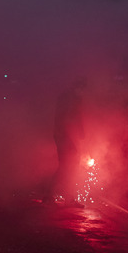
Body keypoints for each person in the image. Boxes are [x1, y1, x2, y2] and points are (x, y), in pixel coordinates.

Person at [50, 77, 86, 205]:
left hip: (64, 136)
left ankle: (51, 195)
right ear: (79, 88)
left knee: (66, 167)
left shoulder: (70, 98)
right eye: (83, 89)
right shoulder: (70, 99)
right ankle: (67, 197)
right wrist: (79, 133)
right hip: (65, 136)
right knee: (69, 166)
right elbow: (69, 119)